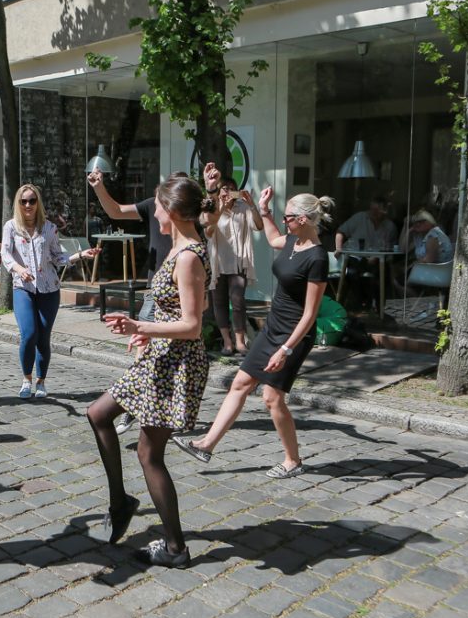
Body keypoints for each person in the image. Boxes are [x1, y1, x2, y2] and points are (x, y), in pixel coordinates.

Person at [85, 176, 211, 568]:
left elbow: (192, 324)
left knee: (148, 454)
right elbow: (176, 314)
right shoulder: (179, 247)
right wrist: (145, 335)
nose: (152, 211)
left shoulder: (189, 255)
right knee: (98, 413)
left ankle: (175, 548)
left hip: (177, 365)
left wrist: (139, 327)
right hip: (161, 356)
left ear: (171, 212)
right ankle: (120, 501)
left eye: (156, 206)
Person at [175, 188, 332, 480]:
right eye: (283, 217)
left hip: (294, 335)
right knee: (240, 383)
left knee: (273, 397)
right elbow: (272, 239)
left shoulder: (318, 258)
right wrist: (264, 209)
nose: (285, 222)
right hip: (274, 326)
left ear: (305, 219)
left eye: (289, 218)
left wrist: (285, 350)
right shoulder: (291, 242)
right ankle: (206, 445)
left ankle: (293, 460)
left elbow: (310, 315)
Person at [88, 169, 174, 432]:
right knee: (143, 350)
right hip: (153, 291)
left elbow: (213, 220)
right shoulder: (152, 206)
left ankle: (149, 407)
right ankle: (135, 403)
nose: (158, 206)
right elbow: (116, 211)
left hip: (177, 295)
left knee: (169, 358)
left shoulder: (190, 217)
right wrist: (98, 187)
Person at [1, 184, 100, 399]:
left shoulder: (49, 228)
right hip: (23, 288)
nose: (28, 205)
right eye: (23, 201)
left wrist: (80, 255)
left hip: (49, 289)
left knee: (43, 337)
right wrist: (20, 270)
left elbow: (57, 257)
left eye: (32, 201)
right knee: (29, 334)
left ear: (38, 203)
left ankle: (41, 381)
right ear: (18, 204)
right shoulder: (11, 227)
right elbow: (6, 255)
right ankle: (26, 379)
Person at [202, 167, 263, 355]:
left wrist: (252, 204)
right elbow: (208, 232)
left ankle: (240, 342)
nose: (228, 192)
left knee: (238, 303)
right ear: (219, 191)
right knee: (219, 303)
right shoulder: (212, 210)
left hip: (238, 263)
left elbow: (259, 227)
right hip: (217, 264)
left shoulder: (243, 208)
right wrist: (219, 209)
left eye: (231, 188)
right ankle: (227, 342)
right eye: (225, 188)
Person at [334, 195, 397, 311]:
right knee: (352, 273)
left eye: (379, 211)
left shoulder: (389, 226)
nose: (375, 214)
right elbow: (340, 232)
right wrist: (338, 249)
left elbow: (388, 248)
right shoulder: (360, 218)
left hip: (377, 260)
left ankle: (379, 309)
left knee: (382, 274)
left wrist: (375, 257)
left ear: (385, 212)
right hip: (354, 257)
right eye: (372, 211)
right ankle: (357, 305)